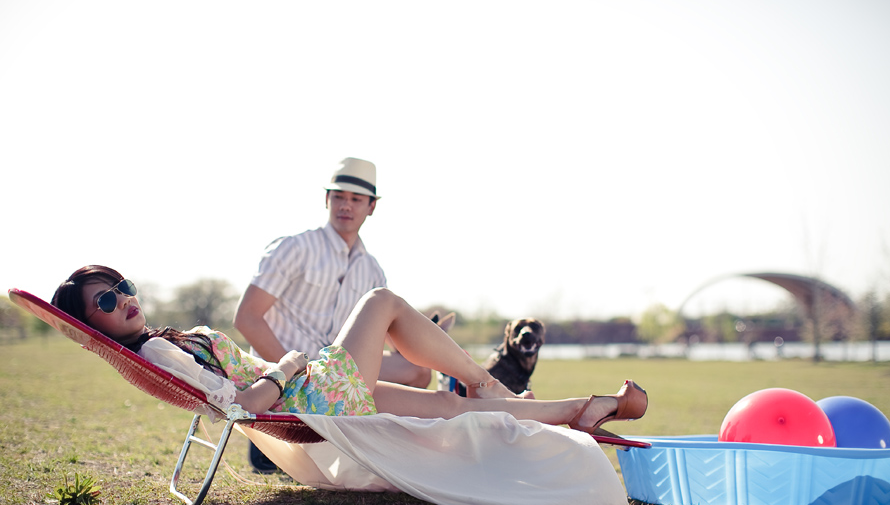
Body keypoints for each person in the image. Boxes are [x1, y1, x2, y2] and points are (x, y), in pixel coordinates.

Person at [52, 265, 648, 436]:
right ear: (93, 325)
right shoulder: (158, 356)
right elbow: (239, 406)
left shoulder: (159, 344)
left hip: (313, 393)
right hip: (307, 394)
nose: (124, 301)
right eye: (106, 303)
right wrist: (287, 366)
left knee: (447, 410)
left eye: (122, 288)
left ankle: (580, 410)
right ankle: (489, 381)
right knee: (382, 302)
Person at [233, 157, 432, 471]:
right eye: (339, 196)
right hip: (289, 381)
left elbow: (379, 344)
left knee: (418, 370)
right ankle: (294, 437)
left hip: (335, 377)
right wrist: (291, 376)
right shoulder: (295, 248)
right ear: (327, 199)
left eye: (356, 199)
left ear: (372, 207)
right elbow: (247, 317)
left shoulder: (372, 270)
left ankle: (377, 437)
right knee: (276, 460)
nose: (346, 206)